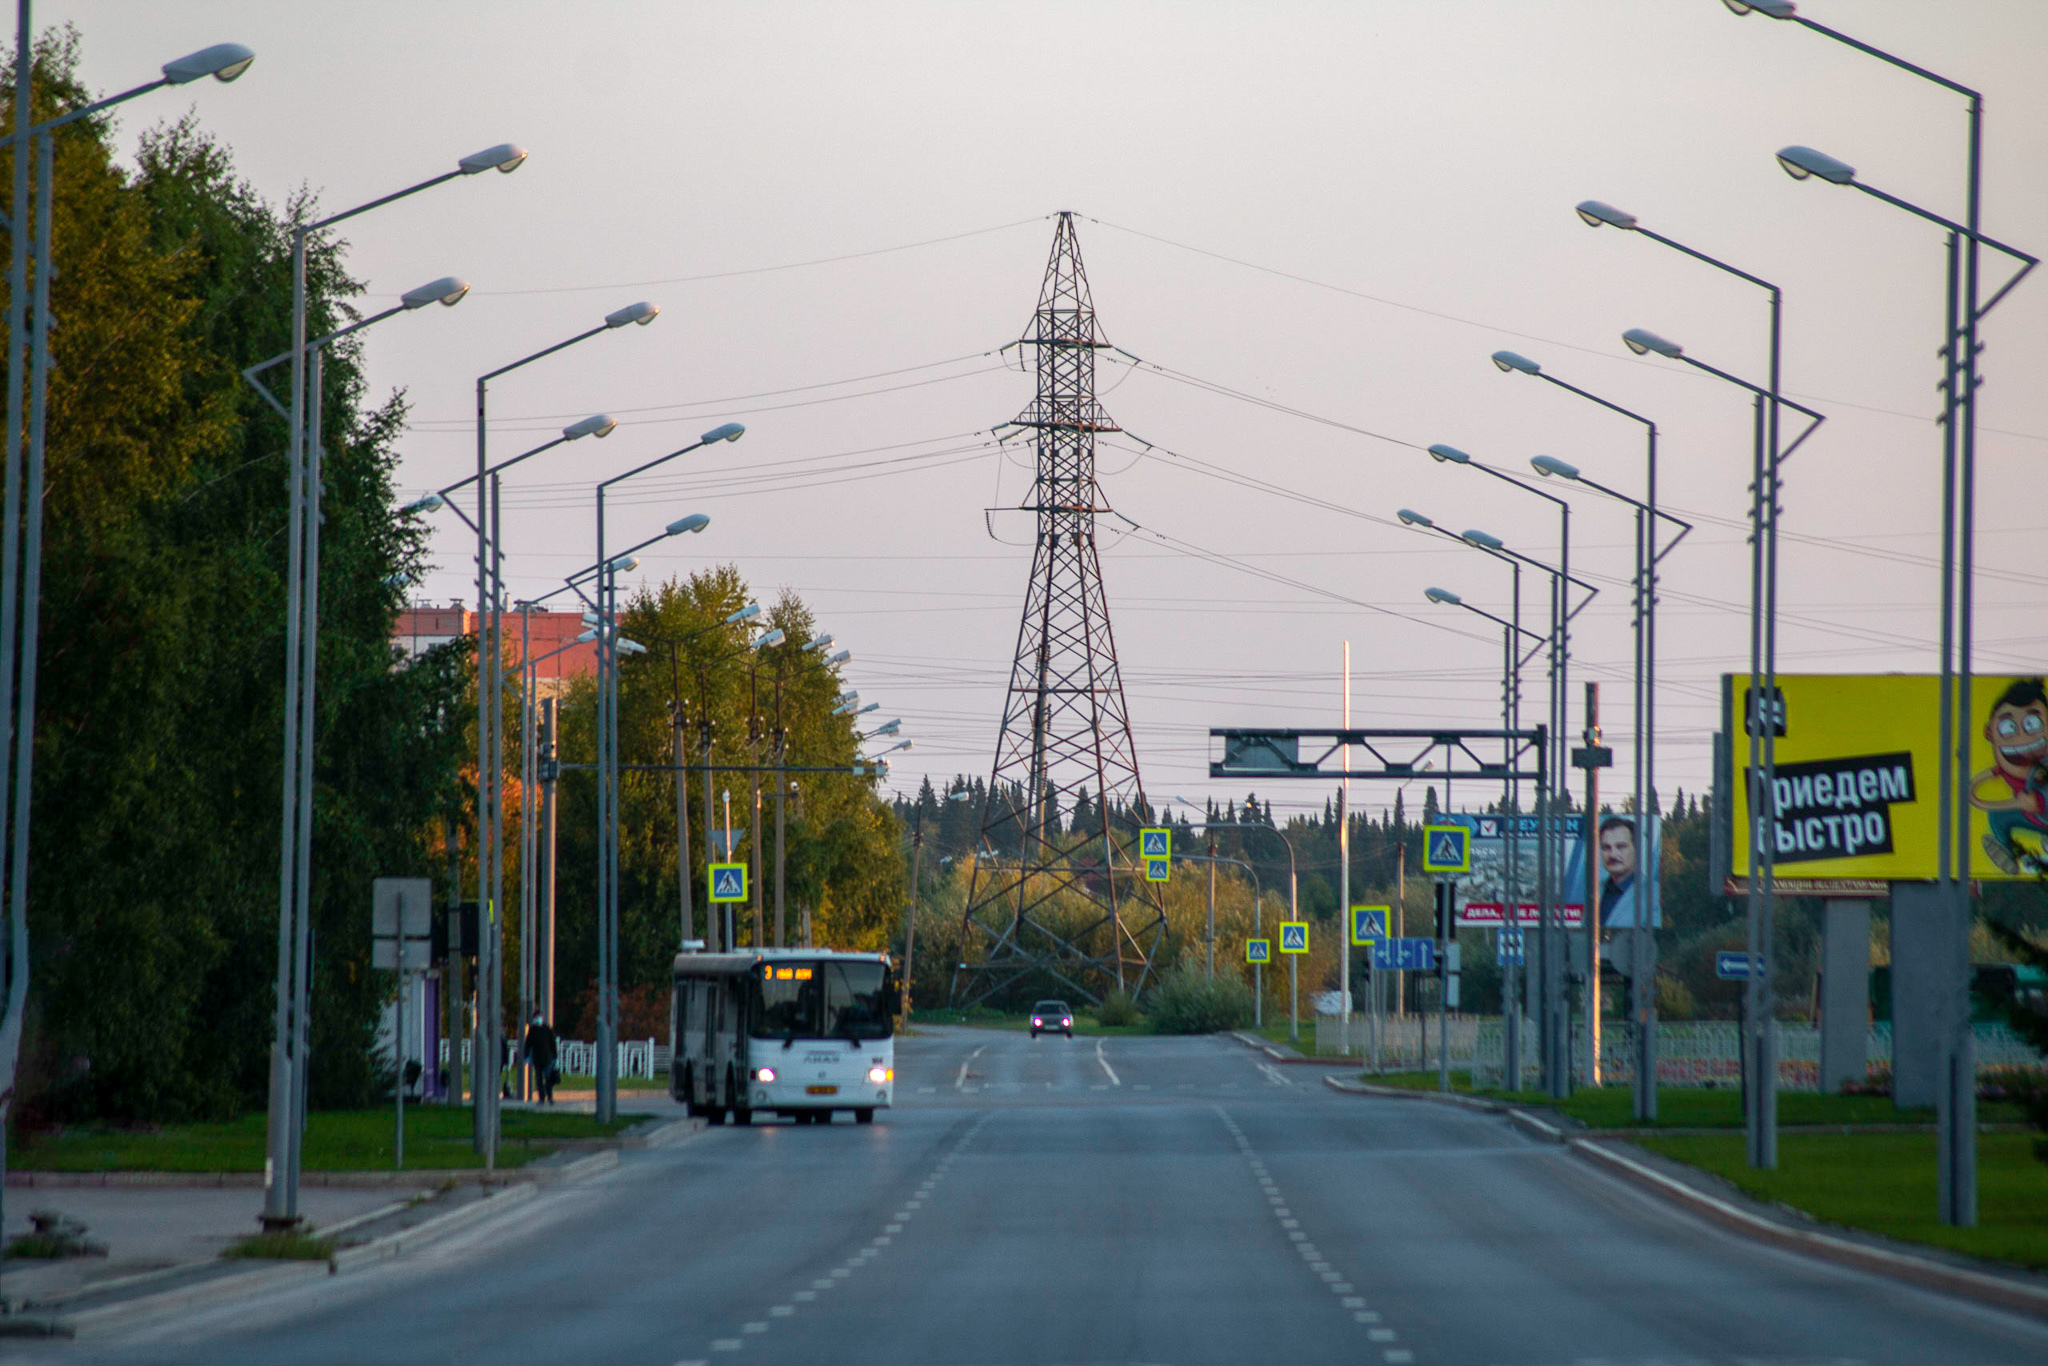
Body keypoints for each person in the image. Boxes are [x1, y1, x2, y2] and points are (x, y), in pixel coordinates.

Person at [1972, 676, 2048, 876]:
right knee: (1997, 816)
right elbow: (1974, 792)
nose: (2022, 736)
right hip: (2030, 815)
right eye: (2008, 728)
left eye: (2032, 724)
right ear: (1990, 733)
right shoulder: (2003, 767)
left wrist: (2038, 800)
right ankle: (2016, 854)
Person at [1597, 816, 1640, 929]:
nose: (1613, 855)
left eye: (1621, 847)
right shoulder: (1594, 891)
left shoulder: (1652, 892)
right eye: (1606, 847)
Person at [522, 1014, 558, 1105]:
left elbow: (553, 1043)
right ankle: (542, 1098)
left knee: (548, 1078)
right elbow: (528, 1044)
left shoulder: (547, 1029)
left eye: (539, 1018)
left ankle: (550, 1097)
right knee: (539, 1080)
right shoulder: (533, 1030)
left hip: (547, 1058)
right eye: (536, 1018)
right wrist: (526, 1056)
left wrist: (555, 1056)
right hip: (537, 1059)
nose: (538, 1020)